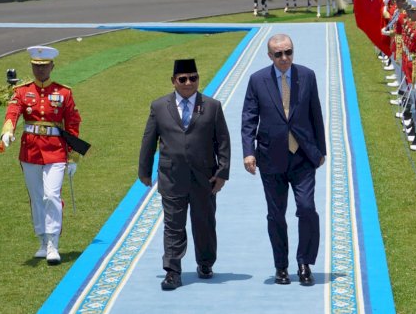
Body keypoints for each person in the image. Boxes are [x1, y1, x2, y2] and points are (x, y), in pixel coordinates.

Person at [138, 59, 231, 290]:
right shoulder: (159, 107)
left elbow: (223, 142)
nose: (189, 83)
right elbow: (149, 140)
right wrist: (144, 170)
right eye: (183, 79)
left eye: (193, 78)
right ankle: (172, 271)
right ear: (173, 82)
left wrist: (222, 173)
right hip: (172, 177)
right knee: (173, 226)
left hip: (205, 178)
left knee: (205, 224)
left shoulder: (212, 106)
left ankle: (205, 263)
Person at [241, 34, 326, 286]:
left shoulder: (307, 75)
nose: (284, 58)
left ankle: (304, 263)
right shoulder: (257, 81)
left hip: (302, 157)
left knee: (307, 209)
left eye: (288, 52)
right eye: (278, 54)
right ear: (270, 56)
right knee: (276, 215)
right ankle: (281, 266)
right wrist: (249, 151)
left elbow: (316, 113)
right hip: (271, 158)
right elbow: (248, 118)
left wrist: (320, 150)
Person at [0, 46, 82, 265]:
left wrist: (73, 156)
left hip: (56, 150)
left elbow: (72, 124)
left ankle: (54, 243)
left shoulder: (63, 92)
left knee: (51, 195)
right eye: (36, 66)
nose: (40, 70)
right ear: (32, 67)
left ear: (52, 66)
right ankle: (42, 240)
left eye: (44, 66)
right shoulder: (21, 91)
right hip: (30, 150)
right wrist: (7, 131)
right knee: (36, 198)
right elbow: (13, 112)